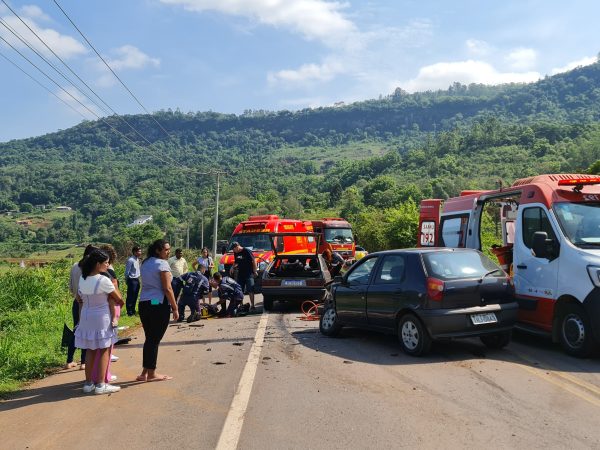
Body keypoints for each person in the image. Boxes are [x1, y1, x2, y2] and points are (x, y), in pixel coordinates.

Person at [74, 249, 122, 395]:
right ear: (97, 264)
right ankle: (101, 384)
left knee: (90, 349)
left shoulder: (83, 278)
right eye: (105, 263)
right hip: (101, 317)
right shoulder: (103, 280)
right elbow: (118, 298)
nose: (107, 265)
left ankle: (88, 384)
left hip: (86, 316)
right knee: (104, 349)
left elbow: (79, 297)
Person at [137, 239, 179, 382]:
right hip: (157, 304)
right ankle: (152, 373)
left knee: (150, 339)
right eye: (166, 250)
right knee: (154, 340)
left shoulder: (145, 263)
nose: (168, 252)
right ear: (157, 250)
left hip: (145, 303)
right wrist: (175, 307)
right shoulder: (162, 264)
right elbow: (167, 288)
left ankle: (145, 372)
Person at [91, 244, 123, 384]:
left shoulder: (86, 277)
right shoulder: (107, 275)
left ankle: (93, 378)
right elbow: (116, 295)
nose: (108, 264)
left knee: (93, 348)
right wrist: (120, 303)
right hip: (108, 311)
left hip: (90, 313)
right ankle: (104, 378)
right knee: (106, 347)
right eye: (106, 262)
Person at [65, 244, 96, 370]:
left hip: (76, 302)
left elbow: (71, 287)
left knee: (77, 330)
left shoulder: (75, 266)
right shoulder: (92, 268)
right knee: (87, 332)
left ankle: (69, 360)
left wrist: (77, 297)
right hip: (89, 303)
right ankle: (84, 362)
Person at [230, 241, 257, 311]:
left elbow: (254, 261)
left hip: (249, 273)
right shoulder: (236, 253)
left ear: (237, 247)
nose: (233, 250)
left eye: (233, 249)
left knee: (250, 289)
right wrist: (232, 267)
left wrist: (255, 271)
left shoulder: (247, 251)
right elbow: (236, 262)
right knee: (239, 290)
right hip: (240, 274)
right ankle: (241, 305)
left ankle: (252, 305)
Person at [125, 246, 142, 316]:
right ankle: (129, 312)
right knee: (130, 296)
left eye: (140, 251)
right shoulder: (130, 260)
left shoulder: (137, 259)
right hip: (132, 280)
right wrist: (127, 281)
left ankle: (133, 310)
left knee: (135, 296)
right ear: (134, 252)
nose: (140, 253)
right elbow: (127, 272)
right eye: (138, 251)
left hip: (137, 279)